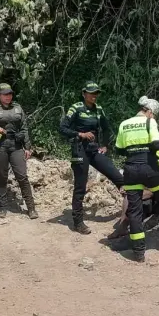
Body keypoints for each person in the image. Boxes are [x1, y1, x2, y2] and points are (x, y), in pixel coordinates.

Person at [114, 97, 159, 261]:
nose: (154, 118)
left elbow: (118, 150)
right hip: (149, 169)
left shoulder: (124, 124)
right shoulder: (149, 122)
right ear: (150, 112)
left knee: (135, 209)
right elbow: (156, 144)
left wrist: (134, 151)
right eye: (154, 115)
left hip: (131, 170)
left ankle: (138, 252)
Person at [59, 82, 124, 234]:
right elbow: (63, 128)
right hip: (79, 149)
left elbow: (107, 128)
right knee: (80, 186)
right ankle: (78, 222)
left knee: (116, 176)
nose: (94, 96)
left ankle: (134, 211)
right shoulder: (76, 108)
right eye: (91, 93)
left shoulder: (99, 109)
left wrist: (106, 145)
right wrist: (80, 134)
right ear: (84, 94)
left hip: (94, 150)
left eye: (96, 93)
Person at [0, 83, 38, 219]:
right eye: (5, 94)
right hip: (0, 146)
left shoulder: (17, 108)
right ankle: (2, 207)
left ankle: (31, 208)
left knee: (22, 176)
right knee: (2, 176)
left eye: (10, 94)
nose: (8, 96)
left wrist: (27, 147)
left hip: (16, 145)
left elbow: (24, 128)